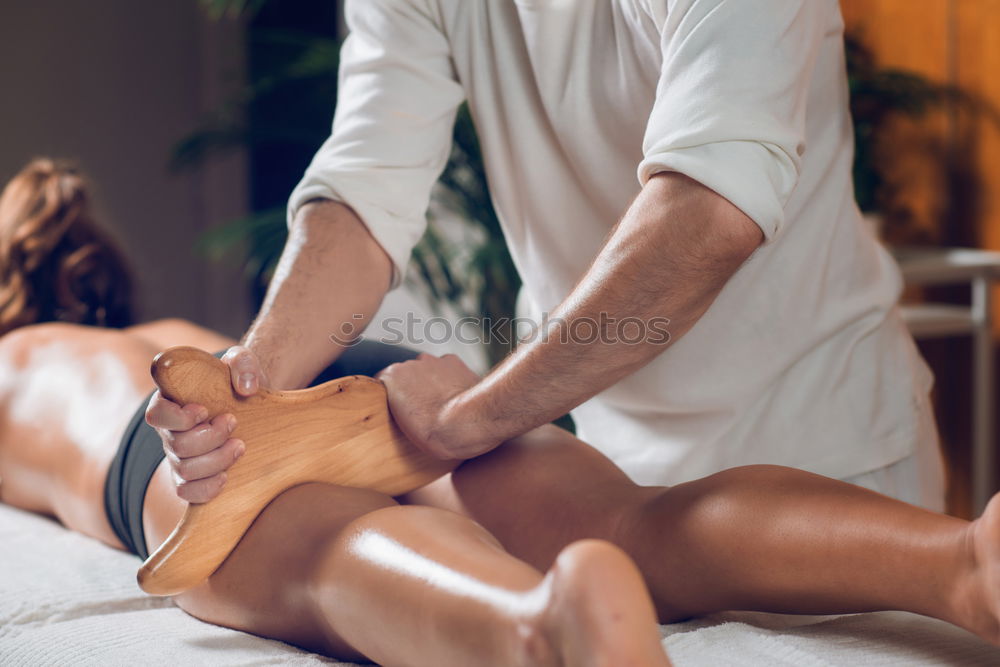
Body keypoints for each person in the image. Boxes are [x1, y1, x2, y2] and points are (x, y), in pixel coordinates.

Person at [2, 162, 999, 664]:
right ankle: (957, 563)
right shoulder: (174, 324)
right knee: (631, 516)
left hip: (182, 438)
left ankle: (544, 628)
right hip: (328, 372)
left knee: (330, 553)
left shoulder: (20, 364)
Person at [149, 0, 946, 518]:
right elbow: (364, 192)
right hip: (613, 473)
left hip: (825, 452)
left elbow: (707, 213)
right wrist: (247, 388)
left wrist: (469, 418)